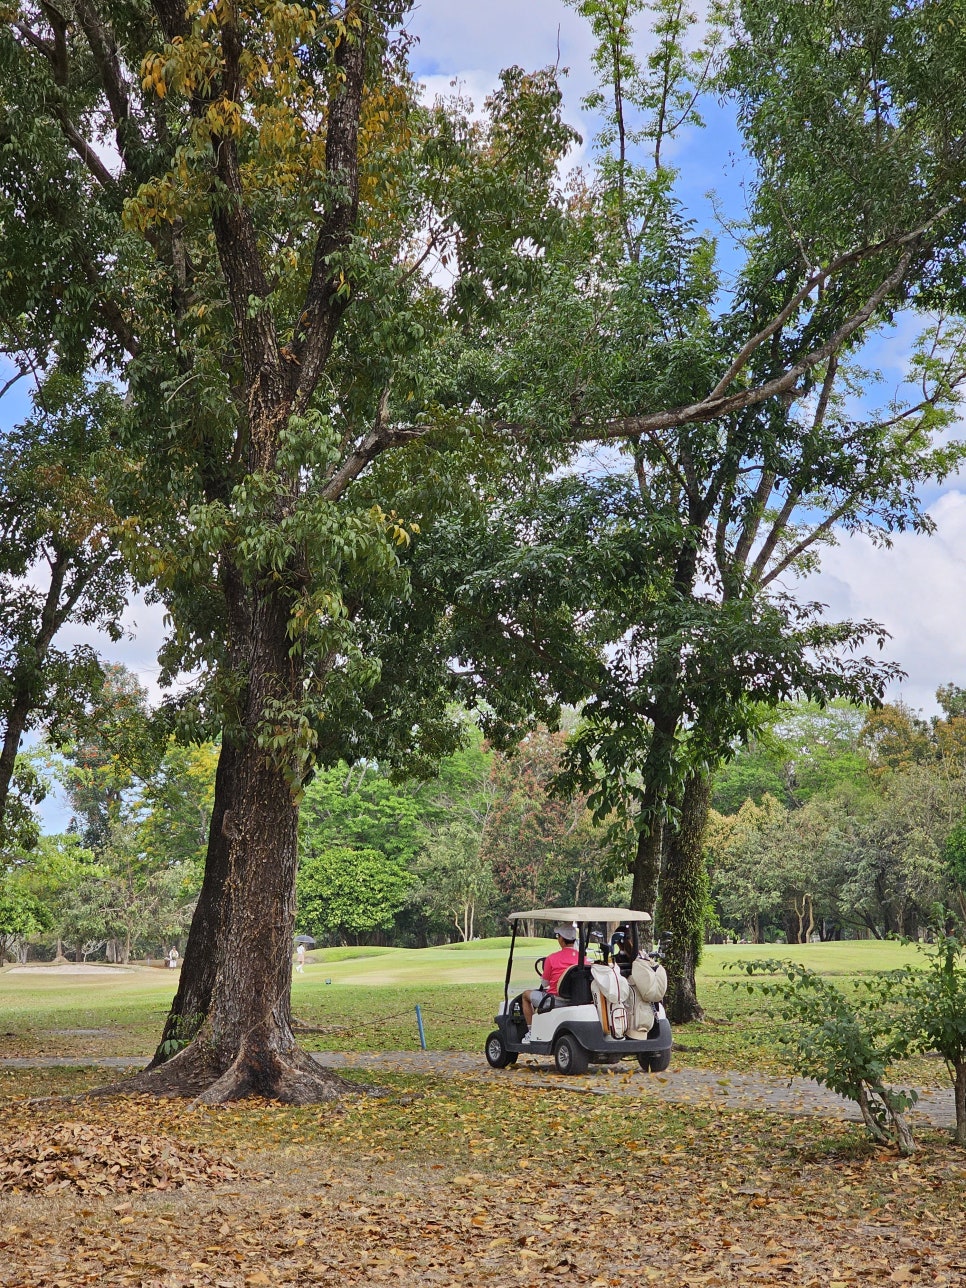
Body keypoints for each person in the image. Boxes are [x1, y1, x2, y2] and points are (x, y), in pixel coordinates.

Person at [521, 924, 579, 1041]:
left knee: (525, 995)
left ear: (562, 939)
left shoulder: (552, 958)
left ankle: (531, 1032)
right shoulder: (583, 958)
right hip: (575, 999)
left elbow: (545, 984)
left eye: (558, 936)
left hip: (555, 1001)